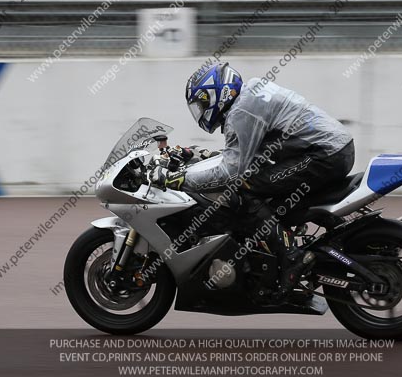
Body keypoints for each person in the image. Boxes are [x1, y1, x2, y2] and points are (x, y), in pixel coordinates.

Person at [150, 62, 354, 300]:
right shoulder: (249, 96)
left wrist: (180, 178)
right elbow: (242, 154)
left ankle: (291, 257)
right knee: (260, 187)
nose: (202, 112)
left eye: (202, 104)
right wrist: (198, 155)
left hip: (324, 154)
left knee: (245, 189)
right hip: (331, 150)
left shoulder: (241, 112)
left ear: (218, 94)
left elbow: (231, 172)